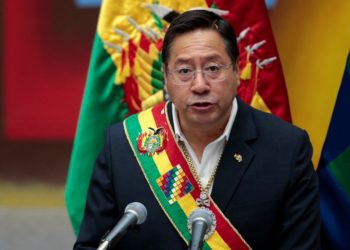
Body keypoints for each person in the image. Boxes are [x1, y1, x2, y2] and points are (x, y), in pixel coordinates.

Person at [74, 10, 320, 249]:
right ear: (166, 78)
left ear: (236, 71)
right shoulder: (123, 145)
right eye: (184, 71)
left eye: (213, 68)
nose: (200, 85)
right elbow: (92, 244)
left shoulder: (286, 149)